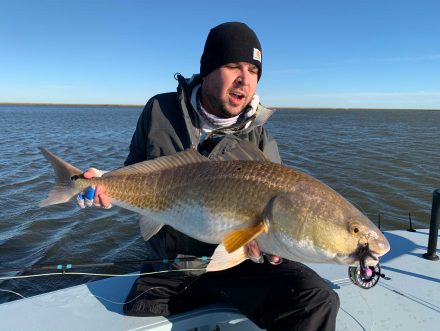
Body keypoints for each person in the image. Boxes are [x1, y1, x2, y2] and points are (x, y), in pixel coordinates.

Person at [80, 22, 339, 331]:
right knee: (133, 310)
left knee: (316, 299)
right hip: (172, 266)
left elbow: (275, 221)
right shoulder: (159, 110)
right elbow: (133, 167)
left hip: (238, 266)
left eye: (254, 71)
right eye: (233, 66)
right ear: (207, 70)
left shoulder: (259, 138)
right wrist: (103, 181)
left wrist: (272, 254)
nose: (245, 80)